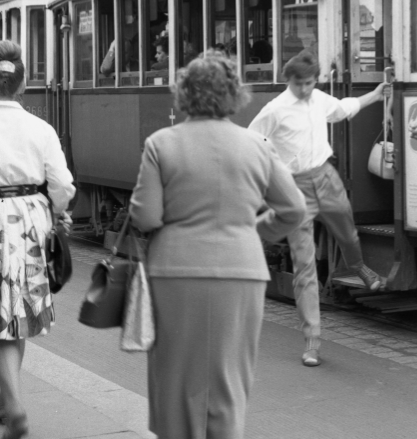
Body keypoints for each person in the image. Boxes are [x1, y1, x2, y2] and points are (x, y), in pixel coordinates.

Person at [129, 51, 305, 439]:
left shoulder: (161, 143)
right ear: (233, 94)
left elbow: (146, 217)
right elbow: (293, 209)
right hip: (242, 272)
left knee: (174, 372)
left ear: (184, 93)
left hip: (174, 272)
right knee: (229, 376)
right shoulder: (257, 144)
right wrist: (251, 229)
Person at [248, 51, 388, 367]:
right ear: (289, 80)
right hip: (293, 188)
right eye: (300, 84)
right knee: (304, 264)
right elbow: (251, 142)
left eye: (311, 83)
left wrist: (375, 96)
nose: (306, 89)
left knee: (348, 231)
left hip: (325, 177)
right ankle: (312, 341)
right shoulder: (275, 110)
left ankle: (358, 266)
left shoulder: (320, 98)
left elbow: (343, 109)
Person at [0, 40, 75, 439]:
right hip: (29, 224)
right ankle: (8, 401)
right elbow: (62, 184)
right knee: (17, 315)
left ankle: (11, 404)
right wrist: (57, 209)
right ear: (23, 85)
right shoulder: (40, 128)